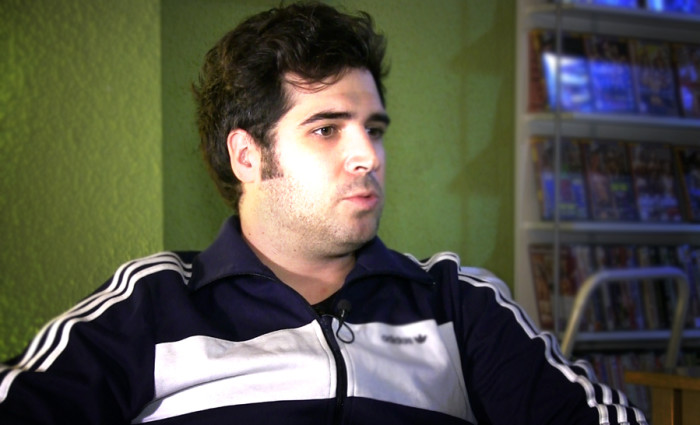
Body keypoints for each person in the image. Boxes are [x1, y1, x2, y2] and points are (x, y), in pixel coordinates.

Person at [0, 2, 647, 424]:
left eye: (374, 128)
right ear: (247, 155)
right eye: (327, 129)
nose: (368, 155)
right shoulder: (152, 304)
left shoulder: (458, 302)